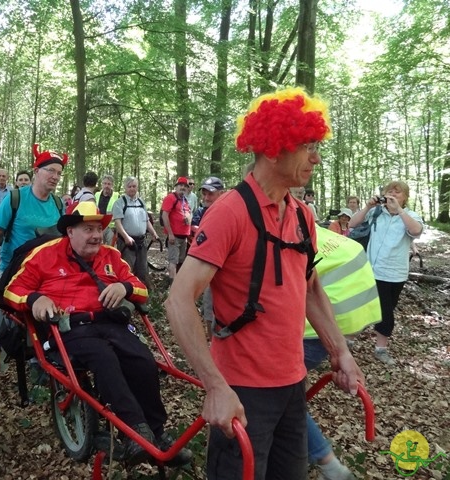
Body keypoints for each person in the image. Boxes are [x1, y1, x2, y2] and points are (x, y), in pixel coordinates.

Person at [165, 87, 363, 480]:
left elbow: (309, 288)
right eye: (307, 145)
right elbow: (178, 300)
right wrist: (215, 386)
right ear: (274, 149)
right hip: (242, 391)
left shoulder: (302, 215)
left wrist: (339, 351)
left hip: (292, 385)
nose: (316, 156)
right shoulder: (229, 213)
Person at [2, 202, 191, 467]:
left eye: (99, 229)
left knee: (142, 360)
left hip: (110, 323)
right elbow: (11, 290)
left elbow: (141, 289)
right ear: (69, 231)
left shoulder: (112, 256)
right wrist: (35, 299)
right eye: (88, 228)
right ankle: (135, 431)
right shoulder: (44, 255)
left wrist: (125, 287)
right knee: (104, 359)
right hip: (69, 328)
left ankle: (157, 433)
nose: (95, 235)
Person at [0, 144, 66, 404]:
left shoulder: (58, 204)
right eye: (50, 171)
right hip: (13, 273)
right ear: (36, 171)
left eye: (58, 172)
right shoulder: (15, 199)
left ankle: (41, 364)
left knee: (47, 319)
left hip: (47, 276)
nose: (54, 176)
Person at [304, 225, 381, 480]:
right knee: (285, 395)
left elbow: (309, 292)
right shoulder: (306, 223)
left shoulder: (282, 225)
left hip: (316, 325)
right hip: (346, 319)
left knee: (280, 397)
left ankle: (327, 462)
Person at [348, 181, 424, 366]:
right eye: (389, 191)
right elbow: (351, 223)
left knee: (385, 309)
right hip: (371, 270)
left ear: (405, 197)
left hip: (395, 273)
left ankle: (359, 343)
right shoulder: (376, 213)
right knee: (370, 308)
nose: (392, 195)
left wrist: (399, 210)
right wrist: (367, 206)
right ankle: (360, 344)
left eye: (397, 193)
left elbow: (416, 231)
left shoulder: (411, 216)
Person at [190, 176, 225, 339]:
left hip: (225, 274)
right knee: (208, 309)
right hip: (207, 272)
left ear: (221, 193)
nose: (206, 197)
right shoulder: (202, 212)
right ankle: (212, 347)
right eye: (204, 194)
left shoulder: (228, 214)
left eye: (210, 194)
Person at [112, 176, 159, 286]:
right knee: (128, 269)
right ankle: (127, 293)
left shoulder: (141, 202)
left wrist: (153, 233)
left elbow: (146, 220)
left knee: (142, 269)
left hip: (141, 242)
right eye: (129, 186)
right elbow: (117, 223)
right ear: (125, 188)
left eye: (134, 186)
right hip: (127, 243)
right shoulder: (120, 203)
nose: (132, 189)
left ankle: (142, 293)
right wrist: (126, 237)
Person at [160, 177, 191, 285]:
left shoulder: (185, 200)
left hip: (184, 237)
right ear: (176, 187)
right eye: (180, 185)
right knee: (173, 261)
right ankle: (172, 285)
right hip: (174, 237)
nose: (183, 187)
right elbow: (165, 215)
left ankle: (180, 283)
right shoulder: (170, 198)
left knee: (181, 260)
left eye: (185, 186)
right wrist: (170, 234)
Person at [95, 174, 120, 245]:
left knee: (111, 249)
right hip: (99, 226)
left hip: (111, 228)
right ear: (102, 184)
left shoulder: (117, 196)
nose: (106, 186)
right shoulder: (96, 195)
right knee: (98, 247)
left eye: (109, 184)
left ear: (112, 185)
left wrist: (118, 229)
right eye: (105, 183)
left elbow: (120, 213)